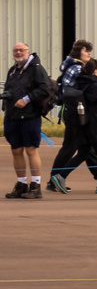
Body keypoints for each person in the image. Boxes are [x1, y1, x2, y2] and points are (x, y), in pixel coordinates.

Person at [53, 58, 97, 194]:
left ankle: (60, 176)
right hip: (96, 125)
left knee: (82, 154)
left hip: (82, 124)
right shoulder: (95, 84)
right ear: (95, 71)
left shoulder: (79, 82)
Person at [4, 42, 52, 199]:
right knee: (16, 150)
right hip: (13, 115)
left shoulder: (36, 69)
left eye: (21, 50)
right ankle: (21, 184)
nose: (18, 53)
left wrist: (26, 99)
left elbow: (44, 88)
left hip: (30, 115)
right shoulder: (13, 70)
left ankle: (36, 185)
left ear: (28, 51)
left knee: (31, 149)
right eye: (15, 50)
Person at [47, 39, 94, 193]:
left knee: (79, 148)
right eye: (86, 50)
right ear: (79, 51)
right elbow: (69, 89)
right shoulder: (76, 68)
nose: (89, 53)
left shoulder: (71, 66)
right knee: (71, 147)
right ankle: (54, 179)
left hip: (71, 111)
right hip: (75, 112)